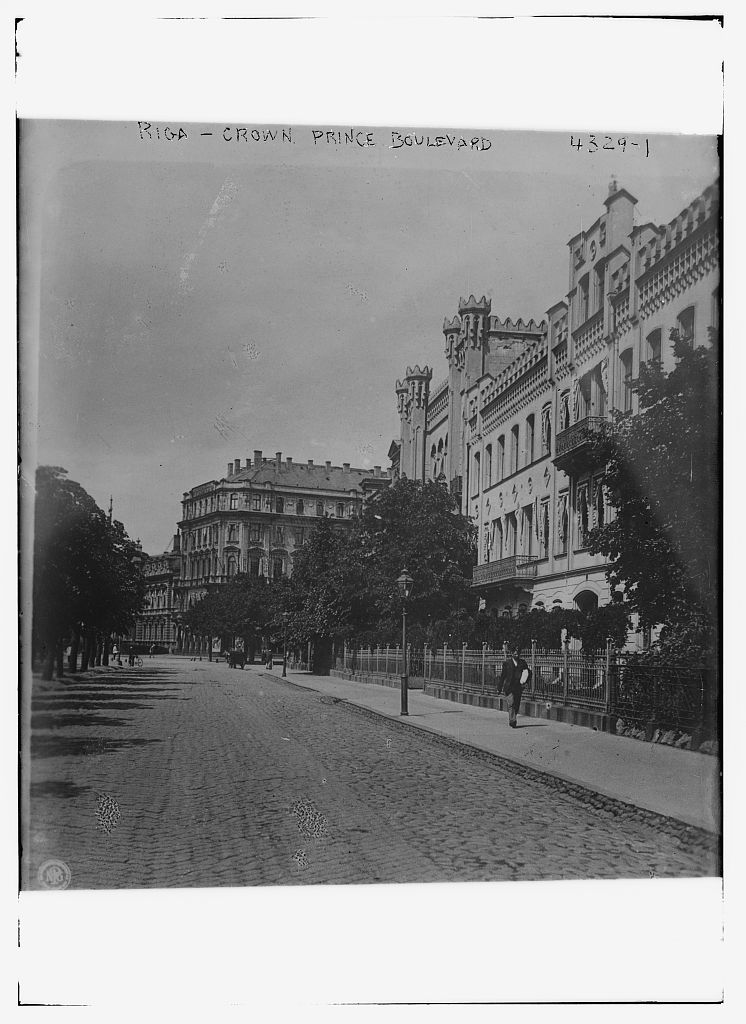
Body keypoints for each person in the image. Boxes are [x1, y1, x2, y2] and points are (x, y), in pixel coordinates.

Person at [498, 645, 530, 728]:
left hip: (518, 687)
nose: (517, 655)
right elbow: (503, 676)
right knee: (511, 703)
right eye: (515, 654)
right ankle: (512, 720)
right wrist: (499, 687)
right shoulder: (507, 663)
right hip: (508, 687)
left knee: (516, 704)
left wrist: (526, 682)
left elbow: (529, 673)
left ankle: (514, 717)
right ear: (512, 654)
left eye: (518, 654)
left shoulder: (523, 663)